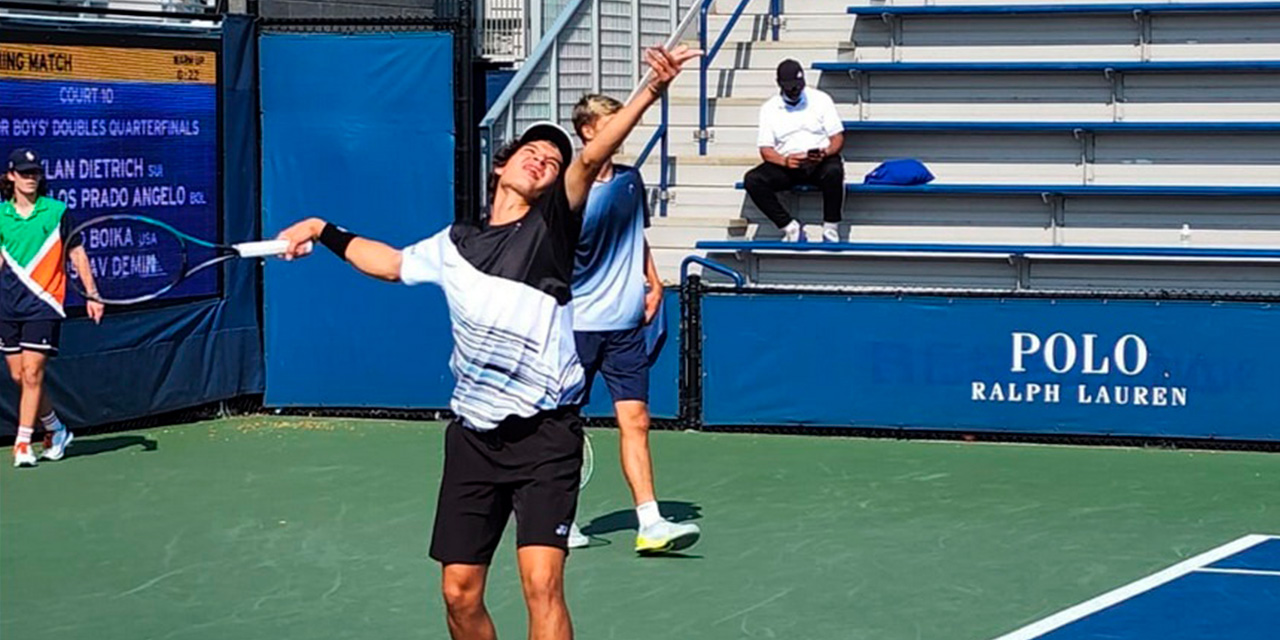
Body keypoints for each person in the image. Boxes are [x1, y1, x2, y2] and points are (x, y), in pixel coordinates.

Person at [275, 45, 699, 640]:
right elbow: (391, 263)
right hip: (473, 438)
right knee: (458, 594)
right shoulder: (454, 244)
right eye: (531, 152)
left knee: (541, 586)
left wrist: (650, 90)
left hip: (546, 436)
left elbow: (594, 153)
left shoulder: (552, 228)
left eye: (553, 160)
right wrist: (323, 231)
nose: (544, 161)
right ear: (500, 167)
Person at [564, 94, 701, 554]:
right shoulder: (570, 188)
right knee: (564, 424)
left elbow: (635, 235)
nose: (623, 128)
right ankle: (560, 520)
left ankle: (650, 522)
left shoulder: (629, 179)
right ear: (588, 132)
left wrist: (653, 278)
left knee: (637, 421)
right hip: (577, 323)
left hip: (625, 325)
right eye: (612, 121)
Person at [2, 148, 104, 468]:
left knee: (33, 373)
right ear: (11, 177)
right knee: (20, 376)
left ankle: (22, 444)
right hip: (7, 306)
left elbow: (76, 254)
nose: (31, 178)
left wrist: (92, 293)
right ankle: (56, 429)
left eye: (35, 173)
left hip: (44, 304)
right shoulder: (1, 215)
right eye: (24, 173)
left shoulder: (57, 211)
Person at [743, 58, 846, 243]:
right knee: (753, 180)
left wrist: (825, 152)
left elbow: (837, 138)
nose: (795, 91)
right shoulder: (769, 108)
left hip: (819, 161)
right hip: (788, 163)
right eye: (791, 88)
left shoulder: (821, 99)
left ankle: (831, 227)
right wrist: (785, 161)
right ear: (780, 85)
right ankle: (789, 227)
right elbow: (766, 149)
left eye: (798, 87)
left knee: (834, 170)